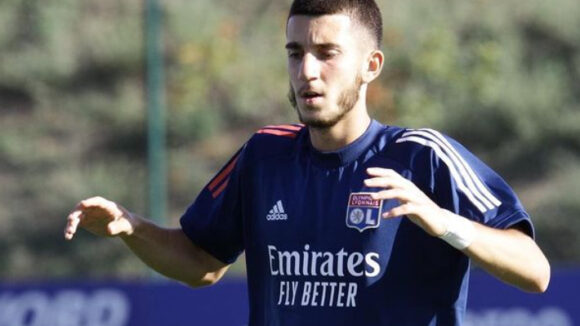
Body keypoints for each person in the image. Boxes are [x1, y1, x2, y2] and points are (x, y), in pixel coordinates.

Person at [64, 0, 550, 325]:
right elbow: (201, 264)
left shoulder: (422, 156)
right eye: (295, 53)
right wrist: (132, 228)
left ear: (370, 66)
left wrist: (444, 222)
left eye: (326, 53)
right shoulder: (264, 155)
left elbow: (535, 271)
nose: (307, 72)